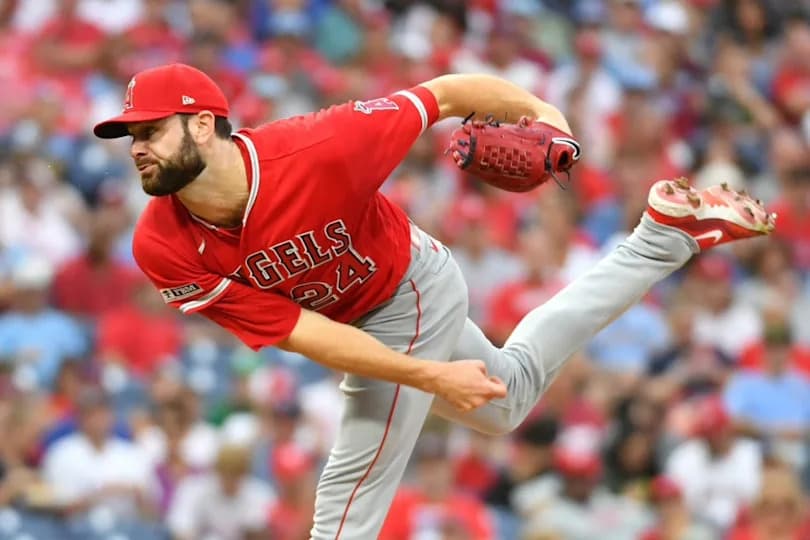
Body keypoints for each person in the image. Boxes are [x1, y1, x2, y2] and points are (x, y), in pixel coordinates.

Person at [92, 62, 775, 539]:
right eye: (131, 136)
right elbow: (302, 333)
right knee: (507, 400)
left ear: (204, 125)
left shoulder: (322, 147)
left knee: (348, 491)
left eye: (149, 130)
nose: (137, 148)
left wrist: (546, 115)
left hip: (410, 285)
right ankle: (660, 239)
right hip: (347, 322)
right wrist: (428, 375)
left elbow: (444, 94)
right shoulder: (162, 246)